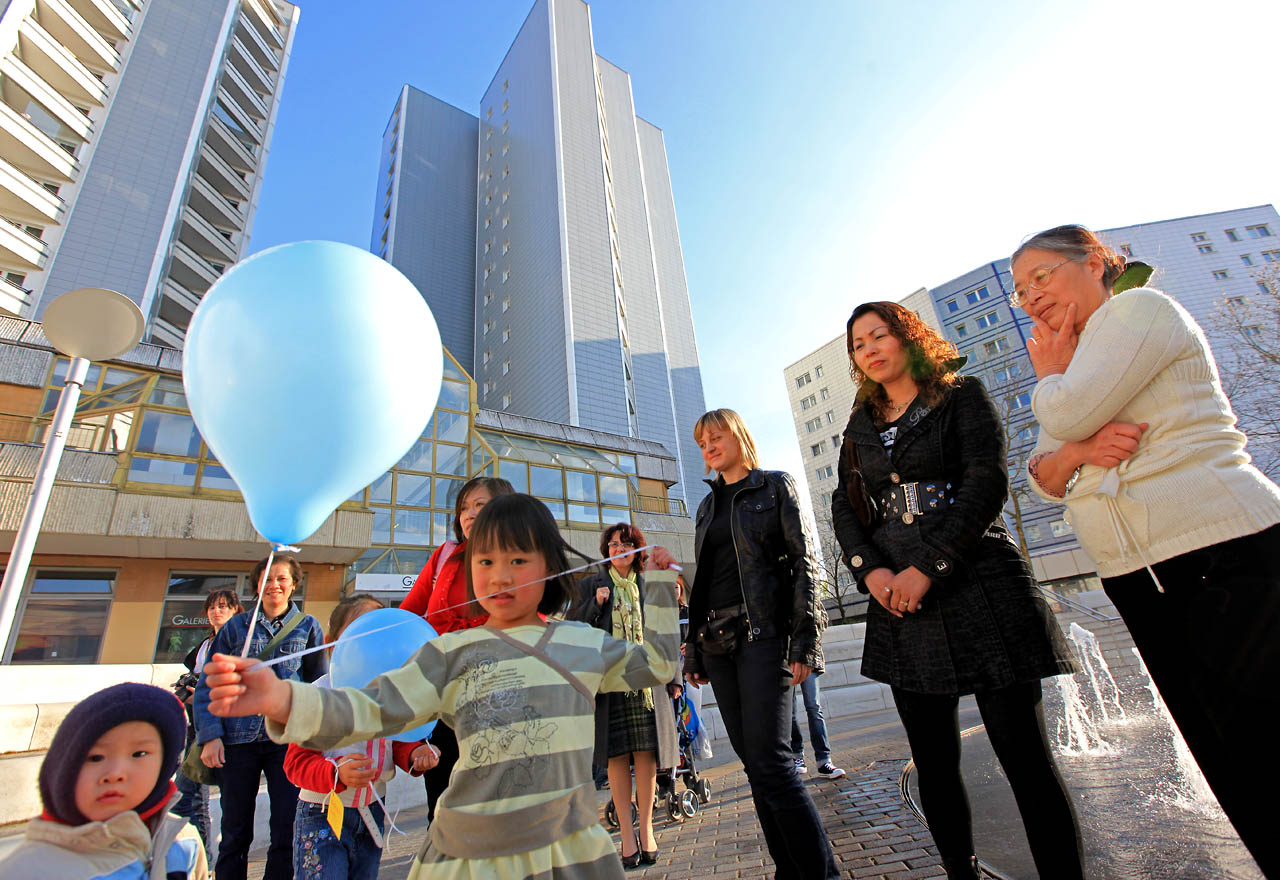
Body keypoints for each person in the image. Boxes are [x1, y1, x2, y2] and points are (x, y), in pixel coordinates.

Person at [202, 493, 680, 879]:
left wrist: (656, 584)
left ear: (550, 563)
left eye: (518, 559)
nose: (499, 575)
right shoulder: (448, 653)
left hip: (567, 854)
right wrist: (282, 697)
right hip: (471, 854)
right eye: (485, 560)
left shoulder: (581, 645)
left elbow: (657, 664)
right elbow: (372, 707)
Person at [1011, 224, 1280, 877]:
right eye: (1020, 291)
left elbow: (1065, 416)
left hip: (1220, 552)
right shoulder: (1088, 356)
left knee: (1266, 750)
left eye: (1041, 277)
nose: (1030, 298)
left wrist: (1051, 379)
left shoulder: (1137, 311)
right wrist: (1073, 453)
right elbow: (1041, 475)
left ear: (1099, 261)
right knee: (1231, 765)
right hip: (1143, 575)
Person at [830, 300, 1081, 879]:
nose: (868, 348)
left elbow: (985, 480)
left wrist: (929, 567)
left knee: (1026, 761)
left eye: (879, 335)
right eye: (857, 343)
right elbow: (845, 504)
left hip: (980, 583)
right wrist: (872, 571)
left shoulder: (960, 393)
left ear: (908, 337)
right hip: (898, 601)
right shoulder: (859, 422)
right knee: (934, 765)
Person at [651, 409, 840, 880]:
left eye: (716, 437)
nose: (709, 447)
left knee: (774, 763)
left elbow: (804, 564)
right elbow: (707, 585)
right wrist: (693, 648)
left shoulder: (774, 487)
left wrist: (806, 641)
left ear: (739, 437)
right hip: (717, 645)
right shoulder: (706, 507)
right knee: (756, 767)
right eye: (701, 442)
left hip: (764, 635)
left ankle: (822, 874)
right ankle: (789, 871)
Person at [285, 594, 440, 880]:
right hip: (322, 813)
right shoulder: (319, 696)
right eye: (360, 633)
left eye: (379, 633)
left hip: (372, 813)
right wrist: (335, 773)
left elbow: (399, 739)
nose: (371, 644)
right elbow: (295, 763)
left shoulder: (390, 693)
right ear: (332, 642)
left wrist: (415, 755)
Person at [194, 554, 327, 880]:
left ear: (294, 584)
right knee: (234, 831)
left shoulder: (308, 627)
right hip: (237, 739)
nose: (274, 585)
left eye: (282, 579)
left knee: (286, 828)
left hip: (286, 740)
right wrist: (210, 736)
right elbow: (208, 684)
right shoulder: (235, 628)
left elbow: (319, 685)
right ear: (257, 585)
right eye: (267, 579)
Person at [1, 682, 208, 879]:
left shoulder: (184, 842)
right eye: (95, 758)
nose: (115, 773)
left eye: (139, 754)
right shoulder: (30, 870)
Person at [399, 475, 513, 821]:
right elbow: (407, 617)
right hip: (442, 695)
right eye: (464, 507)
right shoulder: (444, 556)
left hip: (495, 697)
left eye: (480, 505)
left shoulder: (522, 560)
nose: (469, 514)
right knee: (443, 803)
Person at [571, 522, 681, 867]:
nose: (619, 549)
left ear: (637, 550)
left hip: (647, 682)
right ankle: (627, 838)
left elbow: (668, 631)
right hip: (610, 684)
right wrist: (595, 605)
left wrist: (675, 677)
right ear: (606, 550)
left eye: (626, 544)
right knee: (617, 759)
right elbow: (572, 629)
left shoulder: (649, 584)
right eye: (613, 544)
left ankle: (647, 830)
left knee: (647, 757)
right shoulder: (591, 584)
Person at [173, 588, 243, 854]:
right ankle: (205, 863)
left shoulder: (241, 644)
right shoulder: (204, 645)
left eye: (224, 606)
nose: (217, 612)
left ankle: (204, 862)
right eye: (213, 607)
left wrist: (204, 695)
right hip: (196, 728)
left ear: (236, 610)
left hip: (222, 730)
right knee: (194, 800)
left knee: (186, 798)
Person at [789, 674, 844, 779]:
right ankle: (797, 756)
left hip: (808, 660)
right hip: (787, 662)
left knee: (814, 708)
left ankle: (824, 760)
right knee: (790, 713)